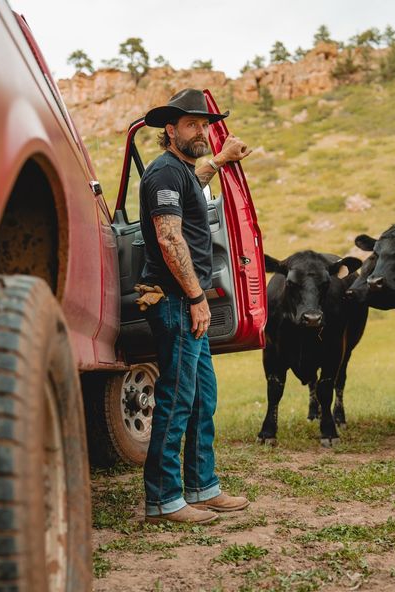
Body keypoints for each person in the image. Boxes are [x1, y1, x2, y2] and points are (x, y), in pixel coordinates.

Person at [139, 88, 252, 524]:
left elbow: (195, 183)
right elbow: (169, 238)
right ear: (171, 130)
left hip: (186, 301)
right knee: (177, 397)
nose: (201, 131)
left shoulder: (183, 173)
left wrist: (221, 160)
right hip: (175, 302)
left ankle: (202, 487)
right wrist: (196, 297)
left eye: (205, 124)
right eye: (192, 124)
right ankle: (164, 500)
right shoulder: (163, 172)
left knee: (203, 395)